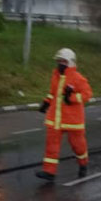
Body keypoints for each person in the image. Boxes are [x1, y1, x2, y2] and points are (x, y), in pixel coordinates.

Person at [36, 48, 93, 183]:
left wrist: (71, 97)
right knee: (51, 146)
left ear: (70, 62)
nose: (60, 64)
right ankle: (49, 172)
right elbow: (53, 93)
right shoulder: (55, 75)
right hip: (55, 118)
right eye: (59, 61)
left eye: (63, 61)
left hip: (72, 120)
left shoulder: (78, 78)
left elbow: (87, 95)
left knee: (78, 145)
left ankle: (83, 163)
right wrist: (46, 102)